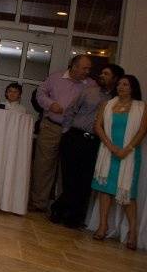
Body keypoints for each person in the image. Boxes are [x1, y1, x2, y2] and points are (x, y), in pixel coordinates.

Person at [50, 64, 124, 228]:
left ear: (115, 79)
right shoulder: (89, 91)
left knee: (84, 180)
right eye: (102, 72)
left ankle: (74, 217)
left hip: (95, 142)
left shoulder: (116, 101)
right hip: (75, 137)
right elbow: (71, 110)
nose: (102, 75)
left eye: (106, 73)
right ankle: (59, 210)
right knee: (69, 177)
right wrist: (66, 131)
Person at [29, 54, 95, 212]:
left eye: (89, 69)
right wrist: (50, 104)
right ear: (74, 66)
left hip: (73, 132)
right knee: (43, 166)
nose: (87, 71)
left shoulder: (91, 85)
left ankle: (61, 207)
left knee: (68, 169)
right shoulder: (55, 78)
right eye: (85, 68)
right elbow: (40, 93)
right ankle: (38, 203)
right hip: (51, 126)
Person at [91, 75, 146, 250]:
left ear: (133, 88)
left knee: (128, 194)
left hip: (129, 155)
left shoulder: (141, 107)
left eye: (126, 85)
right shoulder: (107, 105)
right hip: (109, 152)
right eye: (120, 84)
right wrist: (111, 147)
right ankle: (103, 226)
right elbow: (98, 126)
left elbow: (142, 130)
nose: (121, 87)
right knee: (105, 190)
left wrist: (126, 149)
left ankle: (132, 232)